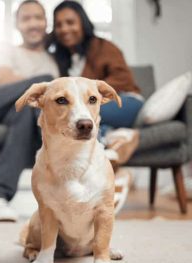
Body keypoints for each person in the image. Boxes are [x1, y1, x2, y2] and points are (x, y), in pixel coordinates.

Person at [47, 0, 145, 211]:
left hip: (125, 100)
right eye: (59, 24)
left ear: (82, 22)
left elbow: (124, 80)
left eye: (70, 22)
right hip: (88, 108)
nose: (65, 29)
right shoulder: (61, 58)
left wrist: (90, 91)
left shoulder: (104, 47)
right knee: (80, 118)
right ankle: (116, 143)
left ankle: (111, 160)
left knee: (84, 116)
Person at [0, 0, 58, 222]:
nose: (33, 23)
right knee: (48, 82)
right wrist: (45, 87)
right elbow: (4, 79)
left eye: (38, 18)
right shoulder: (3, 49)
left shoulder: (52, 60)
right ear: (17, 25)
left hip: (21, 114)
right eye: (26, 18)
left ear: (46, 23)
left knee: (25, 112)